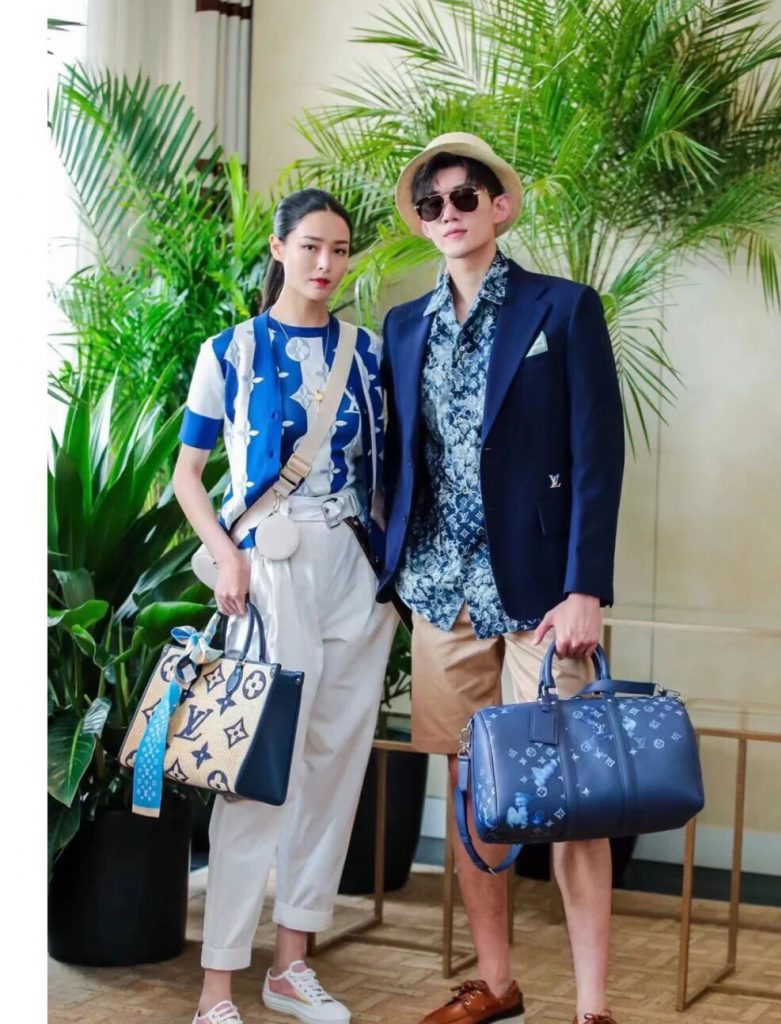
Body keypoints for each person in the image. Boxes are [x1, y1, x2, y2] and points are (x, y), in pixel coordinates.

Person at [379, 134, 625, 1024]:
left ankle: (592, 1008)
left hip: (543, 598)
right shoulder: (403, 325)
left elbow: (598, 455)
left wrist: (586, 587)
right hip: (440, 592)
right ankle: (497, 982)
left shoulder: (564, 309)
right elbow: (401, 458)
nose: (447, 213)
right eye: (431, 203)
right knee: (469, 789)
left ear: (500, 207)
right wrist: (391, 571)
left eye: (463, 197)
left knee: (572, 796)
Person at [172, 188, 397, 1024]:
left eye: (339, 249)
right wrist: (225, 554)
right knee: (257, 775)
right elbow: (187, 476)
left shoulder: (370, 354)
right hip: (269, 569)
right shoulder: (228, 351)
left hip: (354, 570)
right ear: (278, 248)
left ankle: (291, 965)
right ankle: (217, 987)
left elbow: (391, 470)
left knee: (334, 769)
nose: (326, 264)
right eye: (310, 246)